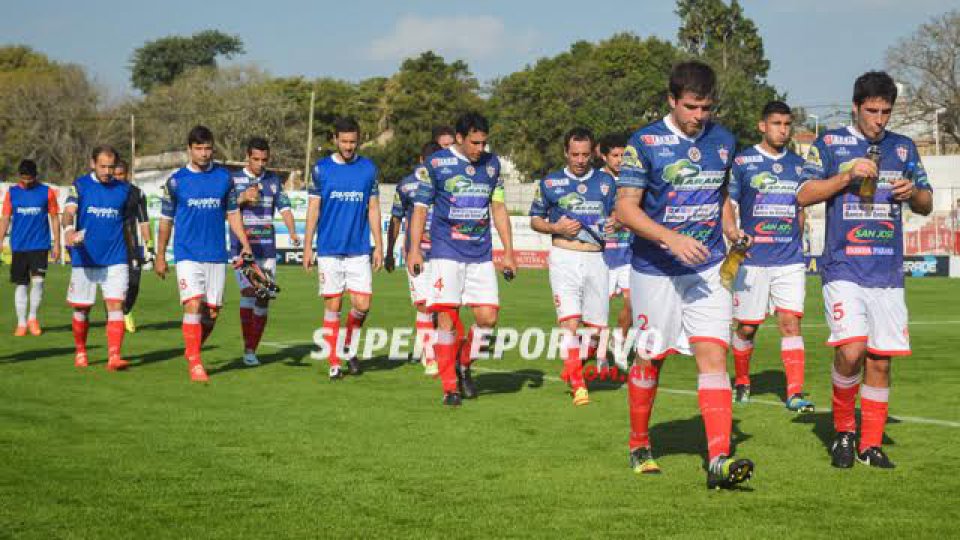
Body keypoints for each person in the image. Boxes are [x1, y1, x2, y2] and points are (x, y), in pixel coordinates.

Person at [615, 61, 754, 487]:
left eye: (706, 108)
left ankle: (718, 458)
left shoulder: (724, 140)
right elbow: (625, 208)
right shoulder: (645, 142)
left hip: (708, 266)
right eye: (691, 107)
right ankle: (640, 441)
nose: (699, 116)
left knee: (714, 354)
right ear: (672, 101)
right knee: (651, 357)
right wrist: (671, 239)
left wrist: (731, 230)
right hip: (655, 269)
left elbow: (720, 197)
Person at [798, 71, 932, 469]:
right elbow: (804, 194)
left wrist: (914, 194)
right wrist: (846, 176)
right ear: (855, 107)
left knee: (880, 359)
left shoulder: (904, 148)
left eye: (885, 112)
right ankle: (843, 432)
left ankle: (870, 445)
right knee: (852, 350)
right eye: (871, 111)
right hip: (843, 264)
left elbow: (925, 203)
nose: (879, 120)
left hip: (886, 271)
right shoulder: (829, 143)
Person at [407, 112, 518, 406]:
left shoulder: (492, 165)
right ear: (459, 138)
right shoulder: (436, 164)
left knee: (488, 318)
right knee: (447, 318)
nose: (480, 149)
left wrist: (508, 251)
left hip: (480, 252)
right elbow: (420, 208)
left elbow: (498, 209)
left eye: (484, 142)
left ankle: (464, 363)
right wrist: (414, 249)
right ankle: (450, 387)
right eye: (474, 142)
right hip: (446, 251)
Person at [722, 101, 814, 413]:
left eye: (787, 124)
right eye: (776, 123)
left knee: (790, 322)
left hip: (788, 259)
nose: (783, 130)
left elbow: (800, 207)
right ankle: (743, 380)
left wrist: (798, 235)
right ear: (762, 125)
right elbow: (727, 201)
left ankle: (795, 392)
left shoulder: (799, 166)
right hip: (752, 260)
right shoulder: (744, 161)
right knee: (747, 328)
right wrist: (733, 233)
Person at [154, 125, 253, 383]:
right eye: (198, 148)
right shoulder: (176, 182)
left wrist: (244, 242)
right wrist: (161, 255)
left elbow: (233, 213)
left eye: (208, 148)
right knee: (193, 304)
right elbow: (165, 221)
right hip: (187, 254)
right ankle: (196, 362)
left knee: (212, 313)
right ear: (189, 149)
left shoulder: (224, 179)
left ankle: (192, 350)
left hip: (216, 255)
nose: (204, 153)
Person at [530, 127, 616, 406]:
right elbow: (535, 219)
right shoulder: (551, 183)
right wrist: (555, 226)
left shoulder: (605, 182)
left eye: (585, 154)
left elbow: (618, 212)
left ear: (594, 153)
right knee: (569, 322)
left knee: (596, 328)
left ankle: (575, 367)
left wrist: (617, 221)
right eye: (575, 154)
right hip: (564, 257)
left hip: (596, 258)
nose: (580, 160)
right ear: (565, 153)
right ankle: (579, 385)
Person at [303, 117, 384, 380]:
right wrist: (307, 247)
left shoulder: (368, 169)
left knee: (363, 304)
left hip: (359, 248)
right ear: (335, 139)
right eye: (344, 141)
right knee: (334, 304)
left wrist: (379, 247)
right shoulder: (321, 169)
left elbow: (373, 208)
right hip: (329, 249)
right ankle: (335, 363)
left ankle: (347, 345)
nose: (349, 146)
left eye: (353, 141)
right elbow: (313, 209)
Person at [62, 146, 136, 370]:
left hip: (115, 257)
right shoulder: (80, 186)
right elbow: (68, 211)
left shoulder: (125, 191)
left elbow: (129, 225)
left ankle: (114, 356)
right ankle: (81, 351)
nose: (107, 171)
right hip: (85, 257)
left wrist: (136, 252)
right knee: (82, 309)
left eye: (111, 167)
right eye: (102, 166)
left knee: (115, 305)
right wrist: (68, 231)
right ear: (92, 163)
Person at [232, 137, 300, 367]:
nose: (260, 163)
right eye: (255, 159)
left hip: (267, 249)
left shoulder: (273, 181)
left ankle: (251, 347)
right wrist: (242, 198)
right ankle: (248, 348)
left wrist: (292, 232)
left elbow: (285, 207)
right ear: (247, 157)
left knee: (264, 298)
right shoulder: (234, 180)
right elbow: (226, 210)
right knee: (251, 292)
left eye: (264, 159)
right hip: (243, 248)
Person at [385, 141, 443, 375]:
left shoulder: (447, 186)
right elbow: (396, 218)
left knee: (440, 306)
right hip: (415, 254)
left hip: (442, 253)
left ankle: (428, 348)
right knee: (423, 306)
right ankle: (430, 358)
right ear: (422, 161)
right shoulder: (406, 185)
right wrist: (389, 251)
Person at [0, 159, 60, 336]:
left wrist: (57, 243)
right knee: (21, 284)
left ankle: (33, 318)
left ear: (36, 176)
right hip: (19, 245)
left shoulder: (47, 192)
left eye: (29, 179)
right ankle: (21, 322)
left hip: (40, 244)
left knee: (39, 281)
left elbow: (55, 218)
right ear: (19, 176)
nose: (26, 182)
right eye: (23, 178)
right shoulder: (12, 193)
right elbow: (5, 218)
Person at [598, 133, 633, 369]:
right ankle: (599, 353)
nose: (620, 160)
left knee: (633, 303)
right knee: (597, 310)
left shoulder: (633, 181)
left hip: (629, 254)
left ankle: (618, 344)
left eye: (624, 155)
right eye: (615, 155)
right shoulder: (596, 181)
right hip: (603, 256)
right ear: (604, 156)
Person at [113, 158, 153, 333]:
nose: (118, 178)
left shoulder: (137, 194)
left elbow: (144, 221)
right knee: (114, 285)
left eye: (121, 174)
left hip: (132, 245)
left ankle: (126, 310)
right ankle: (114, 318)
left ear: (127, 174)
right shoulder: (106, 193)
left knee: (134, 284)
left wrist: (149, 246)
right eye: (115, 174)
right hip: (112, 246)